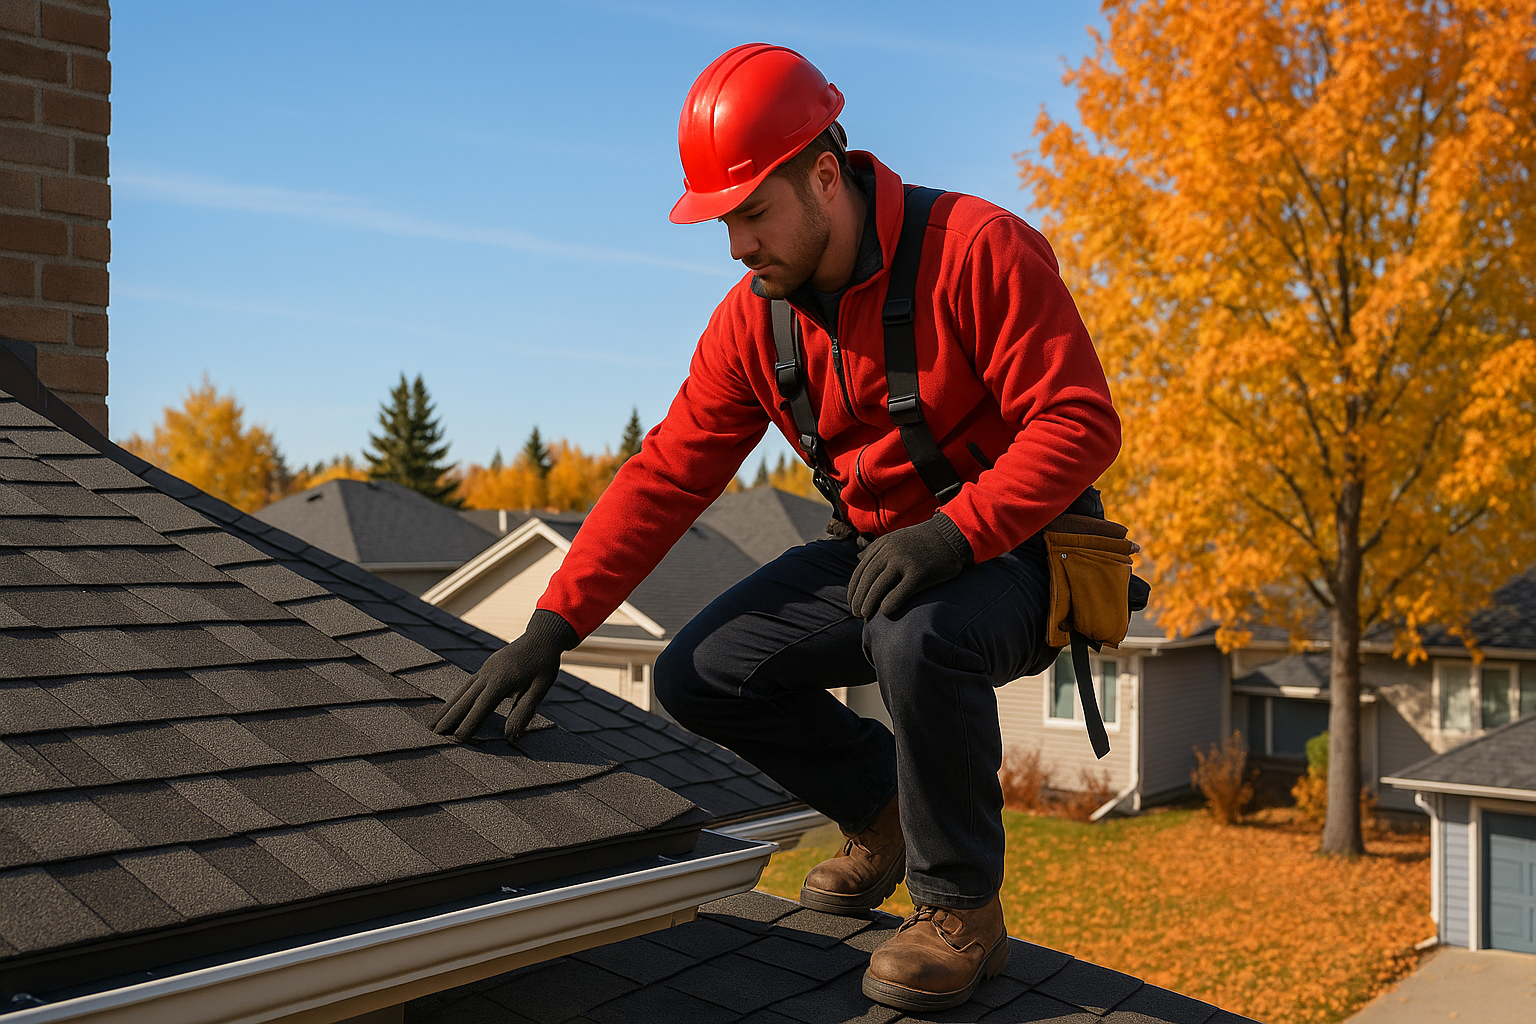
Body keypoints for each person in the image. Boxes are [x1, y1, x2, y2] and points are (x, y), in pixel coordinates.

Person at [434, 42, 1120, 1013]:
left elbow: (1081, 424)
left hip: (1020, 548)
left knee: (914, 629)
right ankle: (882, 808)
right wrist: (553, 626)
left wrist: (954, 533)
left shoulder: (976, 249)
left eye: (753, 212)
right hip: (884, 553)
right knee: (698, 673)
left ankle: (962, 908)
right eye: (722, 220)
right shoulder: (754, 323)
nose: (738, 245)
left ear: (825, 174)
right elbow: (668, 473)